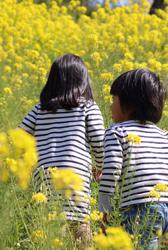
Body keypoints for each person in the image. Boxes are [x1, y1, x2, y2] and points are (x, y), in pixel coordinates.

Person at [98, 68, 168, 249]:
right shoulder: (165, 135)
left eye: (114, 100)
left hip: (142, 211)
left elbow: (111, 174)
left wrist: (104, 211)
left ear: (129, 104)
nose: (110, 105)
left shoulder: (116, 132)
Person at [19, 54, 105, 247]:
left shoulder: (40, 109)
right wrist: (99, 167)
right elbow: (100, 142)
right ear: (83, 81)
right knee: (80, 229)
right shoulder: (88, 107)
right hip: (74, 179)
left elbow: (18, 138)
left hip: (44, 179)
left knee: (51, 230)